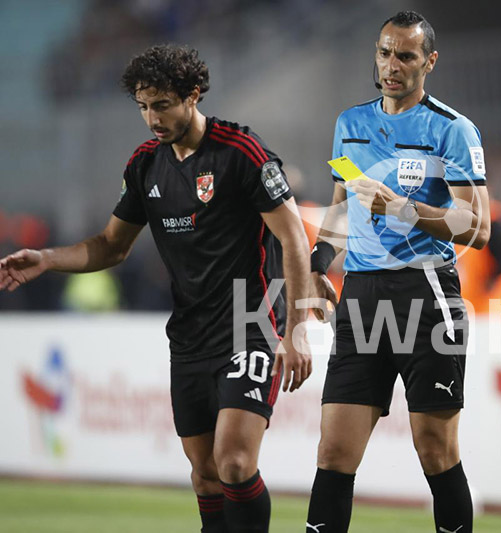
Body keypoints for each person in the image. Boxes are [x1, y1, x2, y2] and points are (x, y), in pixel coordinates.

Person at [0, 45, 312, 533]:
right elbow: (110, 245)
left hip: (250, 327)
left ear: (193, 95)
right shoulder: (146, 165)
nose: (152, 118)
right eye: (144, 106)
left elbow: (293, 235)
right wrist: (48, 259)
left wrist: (297, 330)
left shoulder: (241, 152)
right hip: (189, 339)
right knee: (206, 476)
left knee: (233, 463)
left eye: (162, 104)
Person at [305, 11, 490, 533]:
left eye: (405, 56)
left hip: (427, 293)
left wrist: (404, 209)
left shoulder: (452, 129)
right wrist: (321, 266)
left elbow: (478, 228)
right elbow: (340, 208)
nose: (391, 65)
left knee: (435, 450)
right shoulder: (349, 124)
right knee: (334, 450)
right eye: (385, 52)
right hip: (361, 295)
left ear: (429, 62)